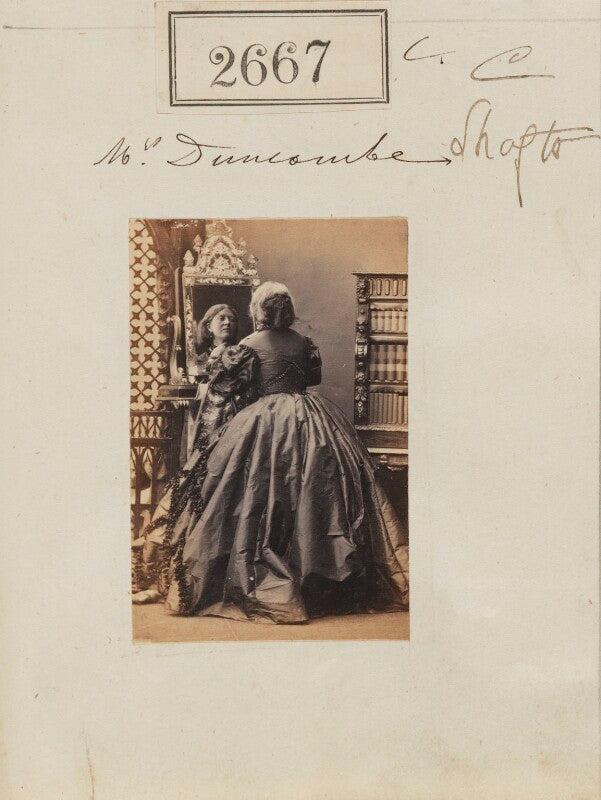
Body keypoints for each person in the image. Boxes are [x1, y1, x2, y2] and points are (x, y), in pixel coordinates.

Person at [161, 281, 409, 623]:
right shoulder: (304, 343)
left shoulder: (247, 344)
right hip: (312, 418)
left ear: (258, 309)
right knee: (315, 490)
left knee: (254, 489)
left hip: (263, 418)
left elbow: (230, 388)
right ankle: (318, 569)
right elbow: (311, 379)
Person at [131, 303, 258, 603]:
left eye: (231, 318)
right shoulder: (198, 359)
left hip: (231, 422)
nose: (227, 323)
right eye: (221, 318)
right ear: (208, 326)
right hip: (203, 423)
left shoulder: (240, 354)